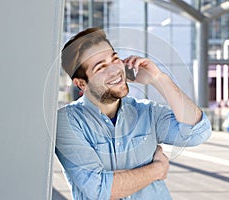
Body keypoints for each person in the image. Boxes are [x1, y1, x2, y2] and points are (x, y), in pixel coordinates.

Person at [55, 28, 212, 200]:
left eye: (115, 59)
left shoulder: (147, 112)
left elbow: (197, 133)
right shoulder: (67, 122)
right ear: (81, 84)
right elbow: (99, 190)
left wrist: (158, 79)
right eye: (101, 67)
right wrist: (157, 169)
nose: (115, 70)